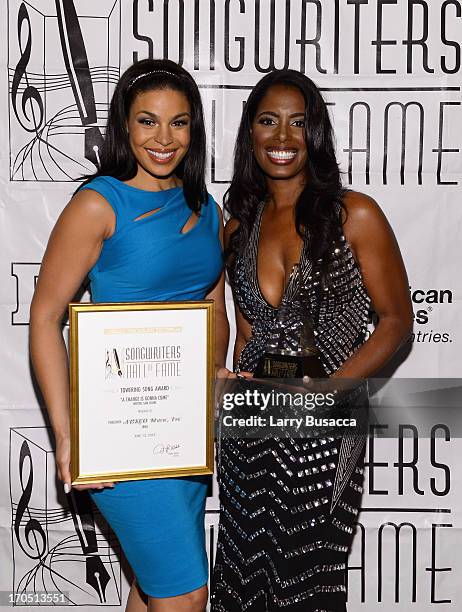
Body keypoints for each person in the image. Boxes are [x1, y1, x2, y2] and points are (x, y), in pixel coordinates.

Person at [29, 58, 230, 612]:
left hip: (185, 433)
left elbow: (211, 300)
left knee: (152, 586)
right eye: (148, 122)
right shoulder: (99, 205)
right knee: (185, 595)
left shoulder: (206, 209)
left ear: (194, 129)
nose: (164, 139)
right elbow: (46, 319)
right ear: (124, 126)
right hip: (119, 430)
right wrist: (68, 436)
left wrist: (214, 369)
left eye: (179, 122)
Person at [211, 70, 413, 611]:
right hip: (253, 425)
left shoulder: (355, 214)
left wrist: (326, 392)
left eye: (298, 123)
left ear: (315, 133)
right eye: (268, 122)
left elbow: (396, 321)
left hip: (325, 426)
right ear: (250, 134)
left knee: (309, 575)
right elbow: (248, 329)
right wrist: (230, 383)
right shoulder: (237, 228)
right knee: (243, 567)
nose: (283, 138)